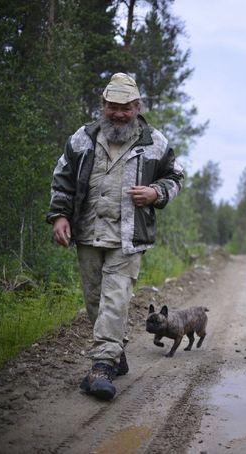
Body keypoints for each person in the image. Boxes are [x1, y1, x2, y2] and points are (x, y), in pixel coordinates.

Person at [47, 73, 184, 400]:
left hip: (129, 236)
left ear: (137, 107)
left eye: (126, 107)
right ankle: (116, 354)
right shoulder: (82, 138)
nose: (119, 113)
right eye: (113, 107)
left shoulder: (155, 143)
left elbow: (175, 178)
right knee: (95, 301)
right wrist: (60, 216)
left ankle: (101, 367)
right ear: (103, 105)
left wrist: (155, 192)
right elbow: (62, 179)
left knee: (116, 298)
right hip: (88, 232)